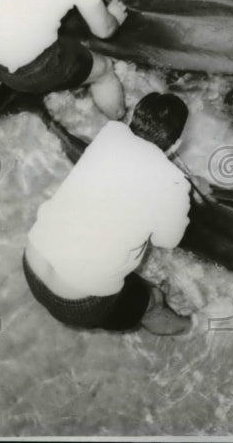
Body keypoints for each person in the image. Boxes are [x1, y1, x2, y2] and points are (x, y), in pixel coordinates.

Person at [23, 93, 195, 335]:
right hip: (78, 305)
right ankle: (187, 328)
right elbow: (168, 240)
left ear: (132, 120)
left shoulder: (110, 135)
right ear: (176, 145)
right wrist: (184, 196)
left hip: (32, 264)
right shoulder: (175, 184)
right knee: (153, 297)